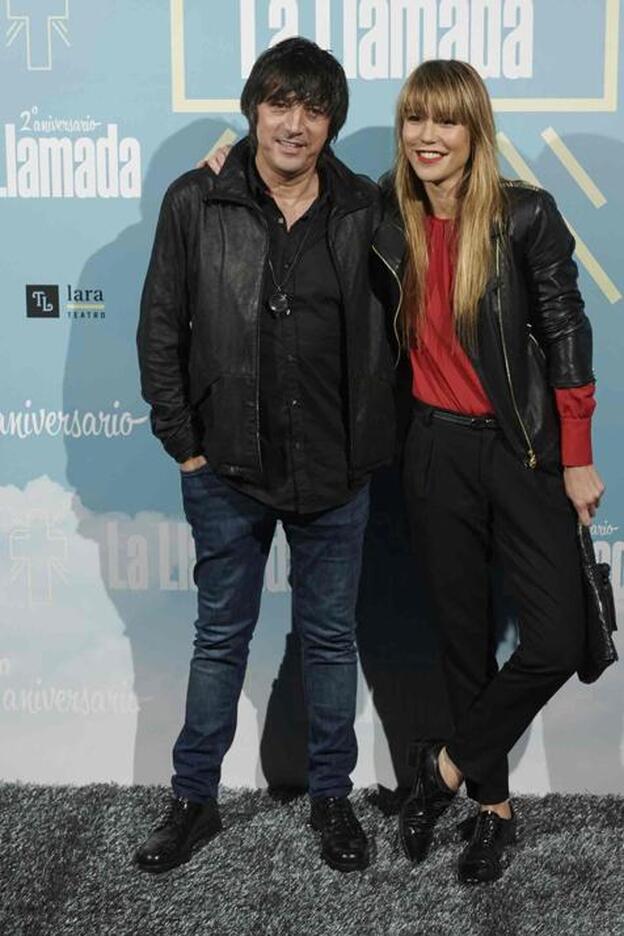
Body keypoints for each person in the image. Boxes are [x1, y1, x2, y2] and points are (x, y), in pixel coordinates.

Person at [135, 37, 396, 874]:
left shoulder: (363, 207)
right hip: (227, 474)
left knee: (329, 643)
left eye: (314, 109)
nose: (295, 124)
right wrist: (185, 448)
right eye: (280, 104)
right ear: (253, 109)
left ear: (331, 123)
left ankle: (332, 800)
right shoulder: (196, 201)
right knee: (221, 641)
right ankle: (192, 802)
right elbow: (158, 330)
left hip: (336, 473)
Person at [370, 59, 604, 884]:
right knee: (463, 639)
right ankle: (492, 813)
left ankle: (442, 771)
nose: (427, 138)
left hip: (523, 449)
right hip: (432, 451)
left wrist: (576, 456)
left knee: (558, 638)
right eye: (414, 120)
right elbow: (296, 182)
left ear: (475, 131)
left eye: (446, 122)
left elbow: (567, 332)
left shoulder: (524, 216)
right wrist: (231, 165)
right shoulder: (384, 217)